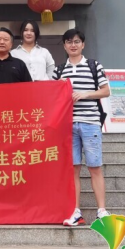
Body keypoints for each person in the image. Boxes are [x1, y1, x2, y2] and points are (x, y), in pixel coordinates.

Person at [52, 29, 111, 226]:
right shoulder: (59, 70)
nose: (73, 45)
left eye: (77, 41)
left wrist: (84, 94)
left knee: (95, 167)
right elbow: (52, 96)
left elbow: (106, 91)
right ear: (64, 46)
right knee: (73, 169)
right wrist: (59, 89)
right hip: (67, 125)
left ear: (83, 44)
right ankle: (76, 211)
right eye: (69, 42)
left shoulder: (94, 65)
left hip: (90, 122)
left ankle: (102, 211)